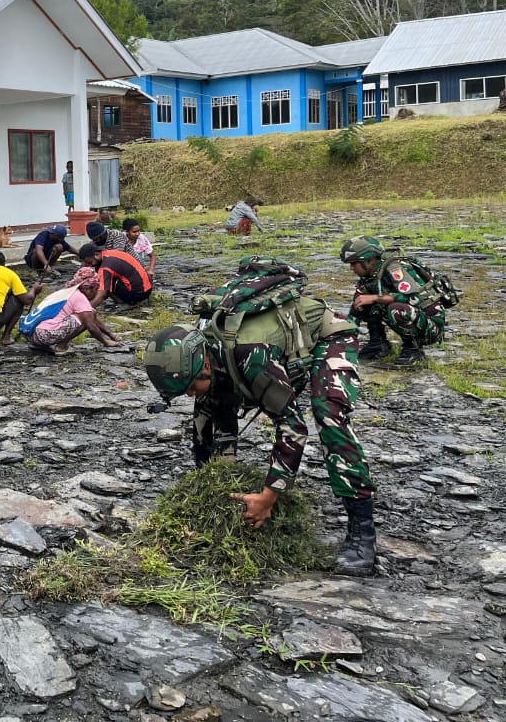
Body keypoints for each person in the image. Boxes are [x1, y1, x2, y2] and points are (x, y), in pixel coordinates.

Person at [141, 274, 377, 576]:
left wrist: (268, 496)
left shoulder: (251, 356)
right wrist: (213, 488)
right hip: (259, 352)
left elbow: (292, 426)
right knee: (210, 403)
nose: (189, 394)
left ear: (204, 364)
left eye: (190, 386)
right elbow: (206, 427)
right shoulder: (202, 350)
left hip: (327, 337)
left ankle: (362, 536)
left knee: (329, 416)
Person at [340, 235, 449, 367]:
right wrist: (343, 341)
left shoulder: (395, 269)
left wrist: (375, 298)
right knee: (366, 304)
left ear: (369, 260)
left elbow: (413, 298)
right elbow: (355, 312)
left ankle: (414, 349)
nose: (351, 268)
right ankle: (378, 344)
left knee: (396, 309)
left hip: (431, 327)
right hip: (416, 318)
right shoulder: (369, 277)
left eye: (354, 263)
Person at [27, 267, 122, 354]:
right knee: (87, 317)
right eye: (96, 289)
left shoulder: (66, 291)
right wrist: (106, 342)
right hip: (45, 335)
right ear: (90, 288)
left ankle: (40, 345)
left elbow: (92, 316)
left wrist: (111, 335)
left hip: (32, 336)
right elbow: (91, 326)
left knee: (89, 313)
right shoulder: (79, 297)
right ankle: (61, 346)